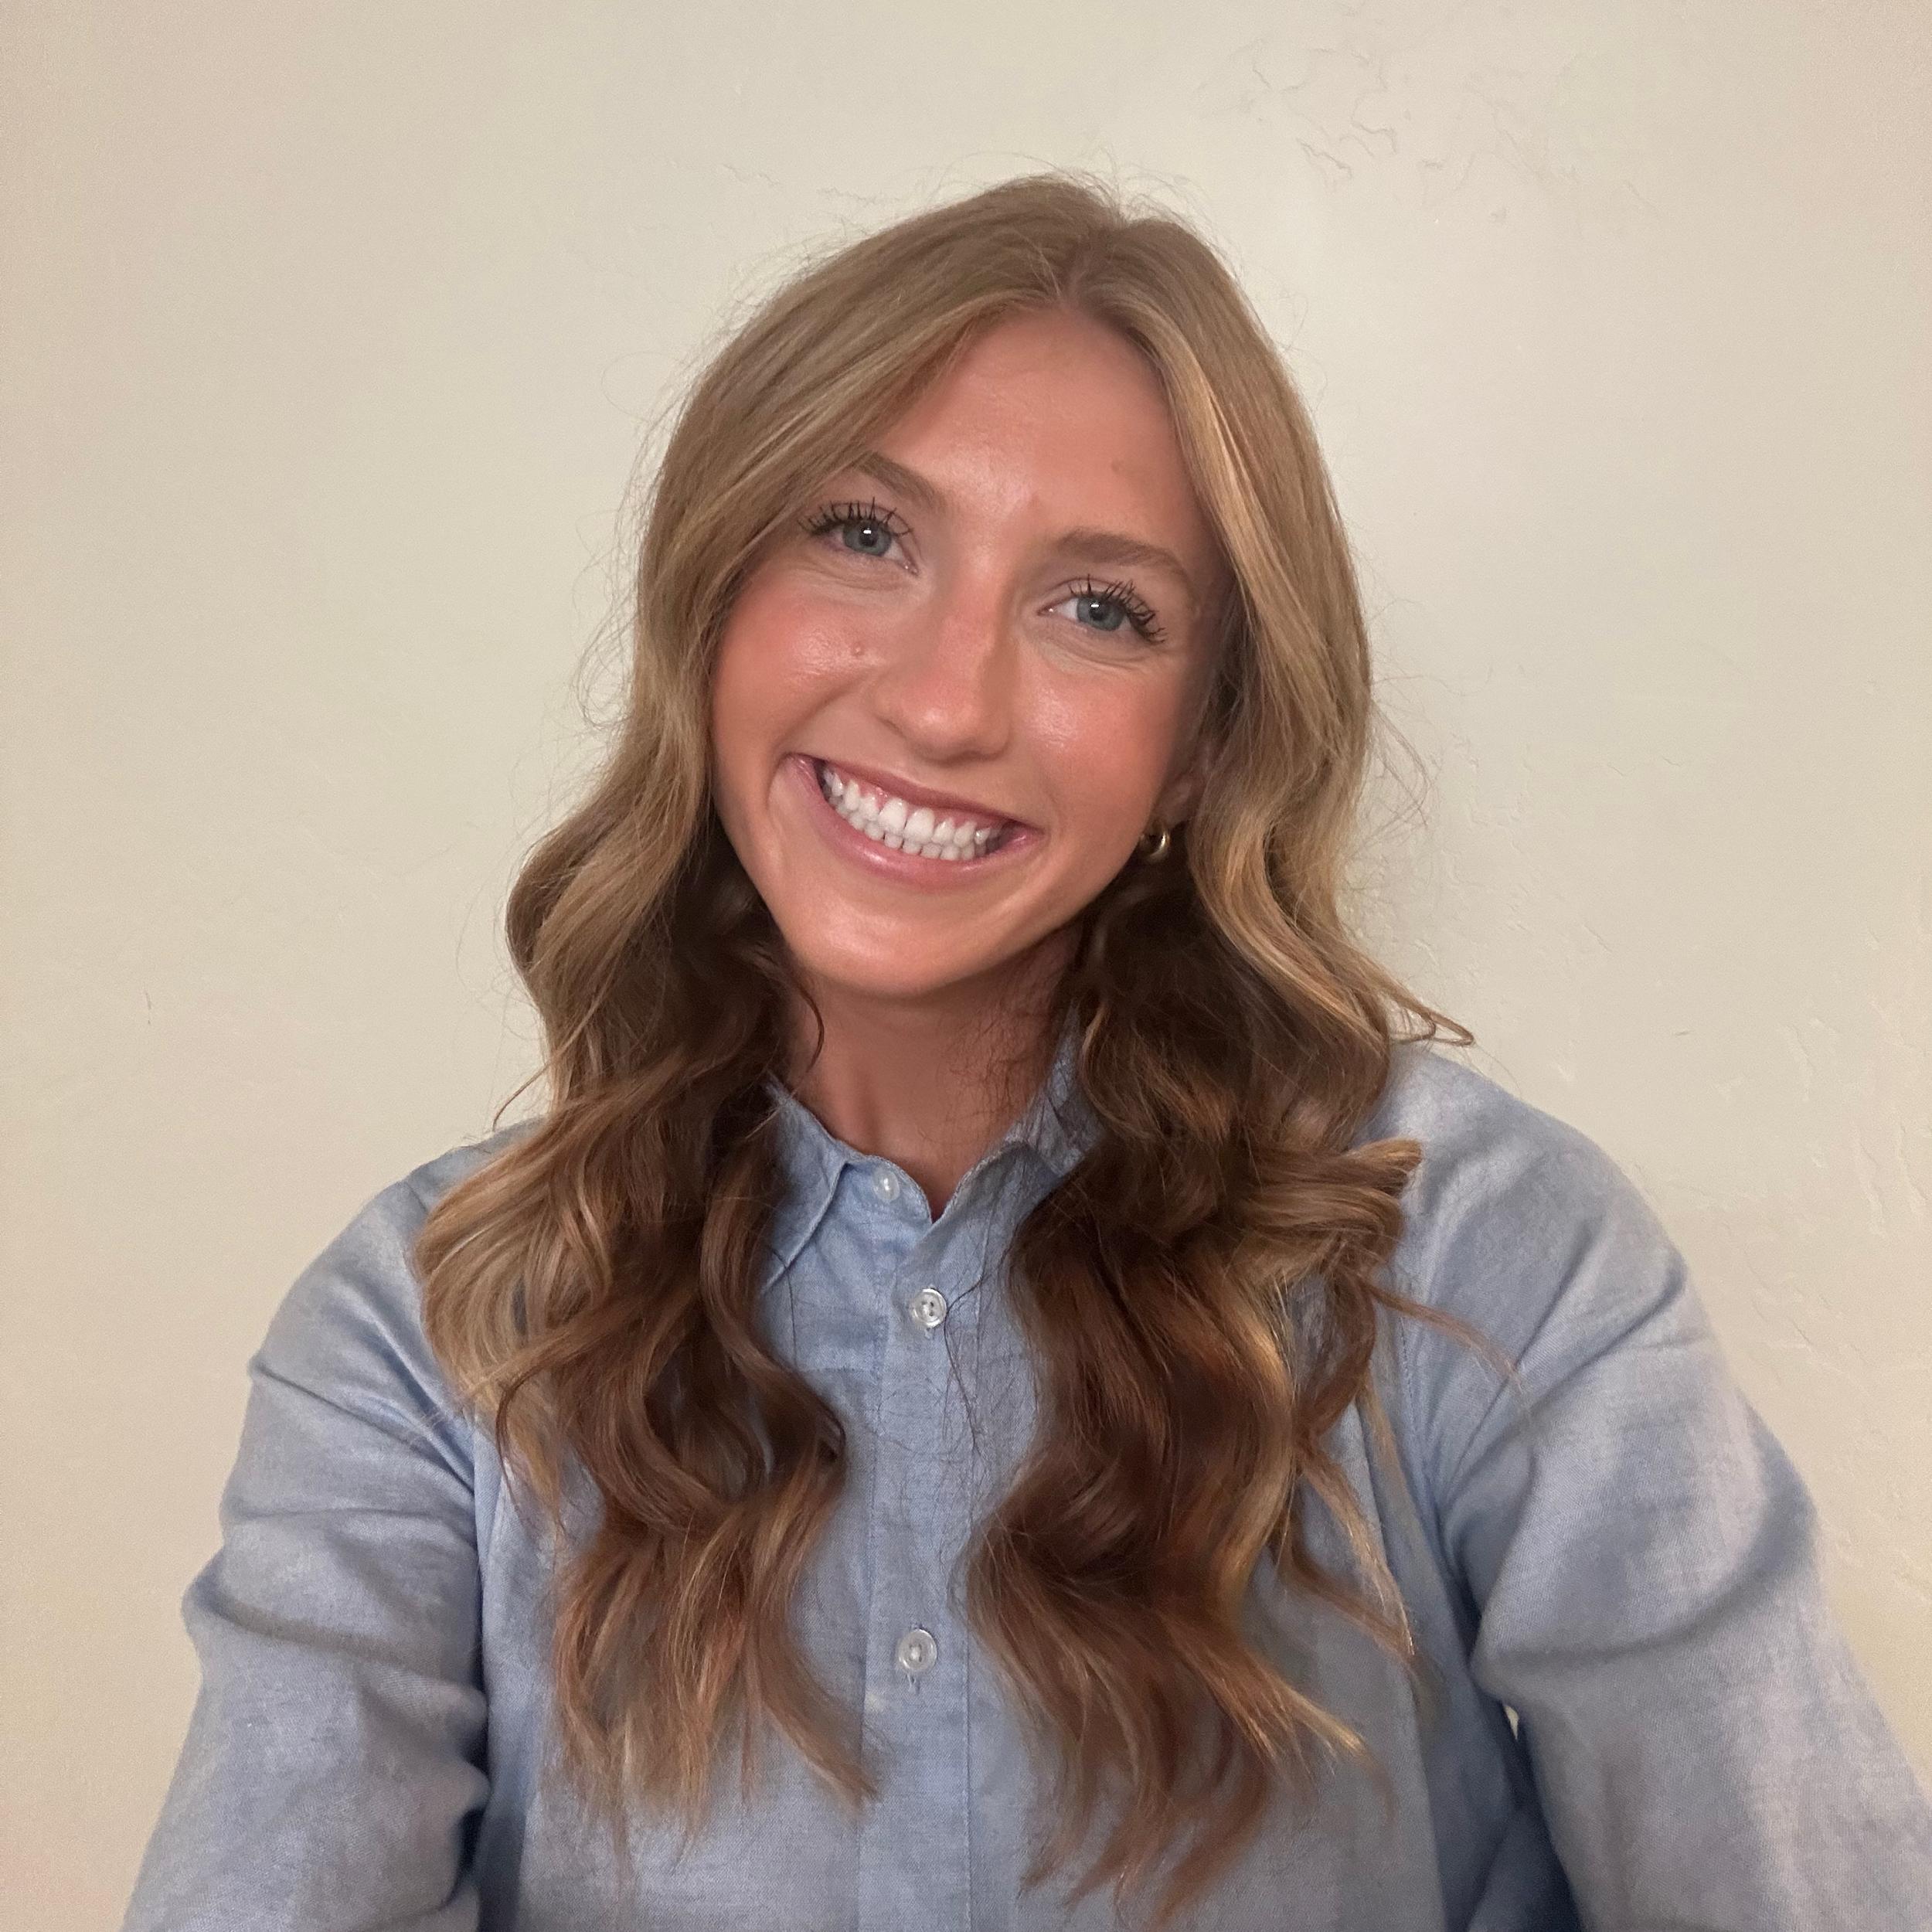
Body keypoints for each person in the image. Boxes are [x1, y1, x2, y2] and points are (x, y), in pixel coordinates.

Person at [120, 172, 1932, 1932]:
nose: (941, 701)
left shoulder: (1481, 1252)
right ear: (713, 596)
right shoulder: (428, 1326)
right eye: (862, 533)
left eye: (1098, 609)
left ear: (1201, 747)